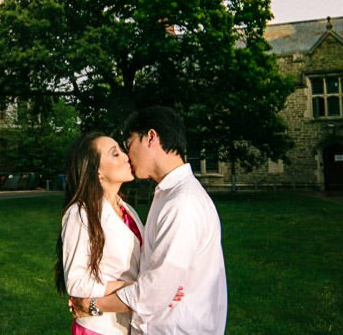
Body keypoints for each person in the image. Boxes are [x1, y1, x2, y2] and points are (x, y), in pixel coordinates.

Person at [71, 106, 228, 334]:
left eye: (129, 144)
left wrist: (92, 305)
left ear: (151, 137)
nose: (127, 156)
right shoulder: (167, 194)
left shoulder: (182, 203)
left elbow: (156, 290)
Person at [56, 131, 145, 335]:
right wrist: (136, 288)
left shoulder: (128, 210)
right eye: (115, 154)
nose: (126, 156)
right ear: (97, 172)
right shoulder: (81, 213)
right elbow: (77, 283)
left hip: (129, 326)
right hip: (99, 328)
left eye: (122, 150)